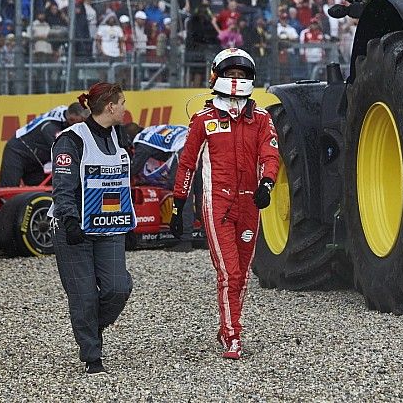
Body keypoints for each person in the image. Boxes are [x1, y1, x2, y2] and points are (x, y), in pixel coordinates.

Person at [170, 48, 279, 360]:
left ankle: (226, 326)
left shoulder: (261, 118)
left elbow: (270, 154)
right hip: (217, 203)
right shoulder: (203, 119)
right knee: (229, 273)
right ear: (217, 76)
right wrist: (178, 204)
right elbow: (187, 164)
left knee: (242, 274)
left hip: (250, 204)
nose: (236, 80)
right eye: (231, 74)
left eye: (241, 75)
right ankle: (233, 336)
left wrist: (267, 183)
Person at [51, 82, 136, 375]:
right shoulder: (70, 140)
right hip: (73, 227)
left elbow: (121, 181)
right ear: (110, 106)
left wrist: (129, 219)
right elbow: (62, 187)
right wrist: (70, 221)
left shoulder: (120, 135)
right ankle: (92, 356)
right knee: (83, 295)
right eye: (122, 102)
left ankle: (91, 325)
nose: (125, 108)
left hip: (110, 224)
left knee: (118, 287)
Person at [131, 124, 196, 252]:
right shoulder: (156, 130)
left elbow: (134, 167)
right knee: (201, 193)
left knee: (182, 194)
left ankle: (185, 241)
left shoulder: (142, 139)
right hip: (198, 144)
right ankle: (205, 237)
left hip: (185, 149)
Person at [0, 102, 89, 187]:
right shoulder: (51, 126)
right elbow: (63, 150)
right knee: (9, 189)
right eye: (82, 121)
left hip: (36, 158)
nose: (83, 125)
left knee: (45, 191)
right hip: (17, 151)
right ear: (72, 118)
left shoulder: (68, 113)